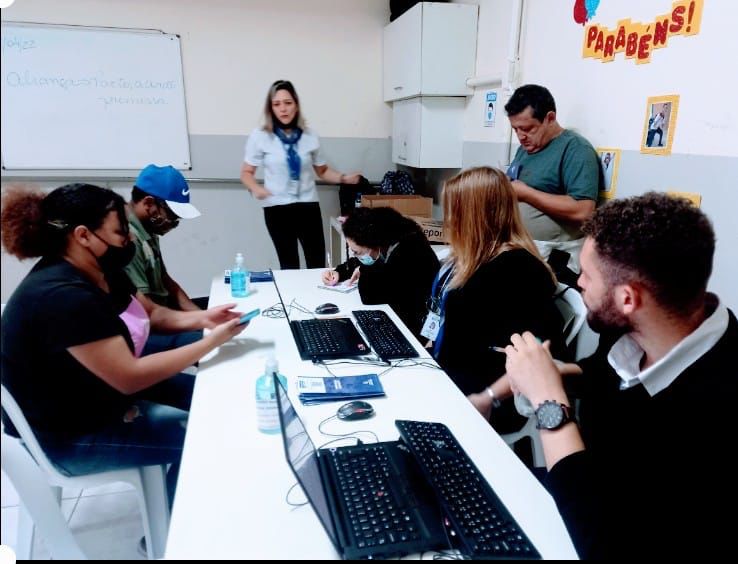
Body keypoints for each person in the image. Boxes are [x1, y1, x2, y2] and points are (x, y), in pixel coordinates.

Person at [502, 192, 737, 559]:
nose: (578, 283)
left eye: (587, 275)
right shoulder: (640, 328)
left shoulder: (715, 409)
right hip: (581, 496)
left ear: (628, 298)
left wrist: (550, 404)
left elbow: (606, 541)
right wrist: (557, 373)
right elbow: (608, 376)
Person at [0, 183, 248, 508]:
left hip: (96, 397)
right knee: (203, 439)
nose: (127, 240)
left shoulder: (99, 271)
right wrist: (211, 341)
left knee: (211, 394)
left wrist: (205, 319)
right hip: (65, 439)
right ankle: (171, 536)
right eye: (120, 232)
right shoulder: (61, 295)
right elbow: (129, 376)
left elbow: (153, 313)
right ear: (83, 235)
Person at [429, 167, 566, 433]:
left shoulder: (518, 270)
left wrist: (488, 396)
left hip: (489, 395)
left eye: (453, 211)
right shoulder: (472, 260)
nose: (447, 220)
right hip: (458, 375)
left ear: (472, 216)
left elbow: (542, 352)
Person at [241, 79, 362, 269]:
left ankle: (318, 299)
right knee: (289, 264)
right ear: (270, 108)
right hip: (277, 209)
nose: (283, 109)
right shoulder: (261, 136)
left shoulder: (309, 135)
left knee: (316, 262)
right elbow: (246, 173)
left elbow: (322, 171)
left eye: (288, 103)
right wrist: (256, 188)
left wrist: (343, 178)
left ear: (296, 105)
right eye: (277, 104)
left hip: (307, 207)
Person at [504, 84, 601, 271]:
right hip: (519, 247)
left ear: (550, 118)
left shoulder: (576, 149)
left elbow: (583, 211)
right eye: (515, 129)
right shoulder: (523, 150)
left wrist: (526, 193)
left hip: (551, 259)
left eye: (527, 128)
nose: (521, 136)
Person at [125, 164, 208, 355]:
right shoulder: (130, 240)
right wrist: (201, 323)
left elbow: (167, 281)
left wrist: (201, 316)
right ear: (148, 203)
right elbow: (145, 312)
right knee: (211, 340)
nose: (173, 224)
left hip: (160, 309)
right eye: (171, 216)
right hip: (147, 325)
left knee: (215, 309)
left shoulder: (148, 230)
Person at [321, 207, 440, 339]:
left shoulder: (407, 252)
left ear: (374, 243)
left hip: (410, 329)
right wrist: (339, 272)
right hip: (398, 318)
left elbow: (369, 296)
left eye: (356, 252)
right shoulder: (388, 241)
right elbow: (361, 259)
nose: (355, 255)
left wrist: (364, 268)